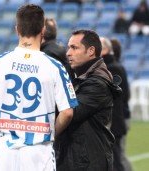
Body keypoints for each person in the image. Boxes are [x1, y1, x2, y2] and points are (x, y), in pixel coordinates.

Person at [0, 4, 78, 171]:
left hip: (6, 148)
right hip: (39, 150)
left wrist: (6, 126)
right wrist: (49, 132)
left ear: (17, 30)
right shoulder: (54, 67)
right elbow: (67, 112)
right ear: (43, 30)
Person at [56, 29, 121, 171]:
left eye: (74, 47)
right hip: (80, 160)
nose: (68, 53)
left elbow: (70, 112)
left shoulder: (97, 84)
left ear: (91, 51)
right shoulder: (82, 77)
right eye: (68, 47)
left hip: (87, 163)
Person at [100, 37, 128, 171]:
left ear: (105, 49)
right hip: (112, 122)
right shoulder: (113, 66)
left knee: (116, 161)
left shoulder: (112, 69)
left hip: (113, 123)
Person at [110, 38, 134, 171]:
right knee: (120, 154)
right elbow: (127, 95)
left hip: (120, 117)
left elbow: (124, 95)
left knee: (119, 155)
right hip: (124, 116)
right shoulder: (120, 68)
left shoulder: (115, 69)